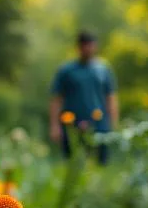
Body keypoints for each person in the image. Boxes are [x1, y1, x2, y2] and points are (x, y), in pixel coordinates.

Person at [49, 31, 118, 165]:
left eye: (90, 45)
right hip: (71, 126)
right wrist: (54, 126)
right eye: (84, 45)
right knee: (72, 164)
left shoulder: (103, 69)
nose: (88, 49)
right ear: (79, 47)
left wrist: (113, 123)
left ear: (95, 46)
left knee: (100, 164)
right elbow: (56, 99)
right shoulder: (66, 70)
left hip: (100, 126)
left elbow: (111, 97)